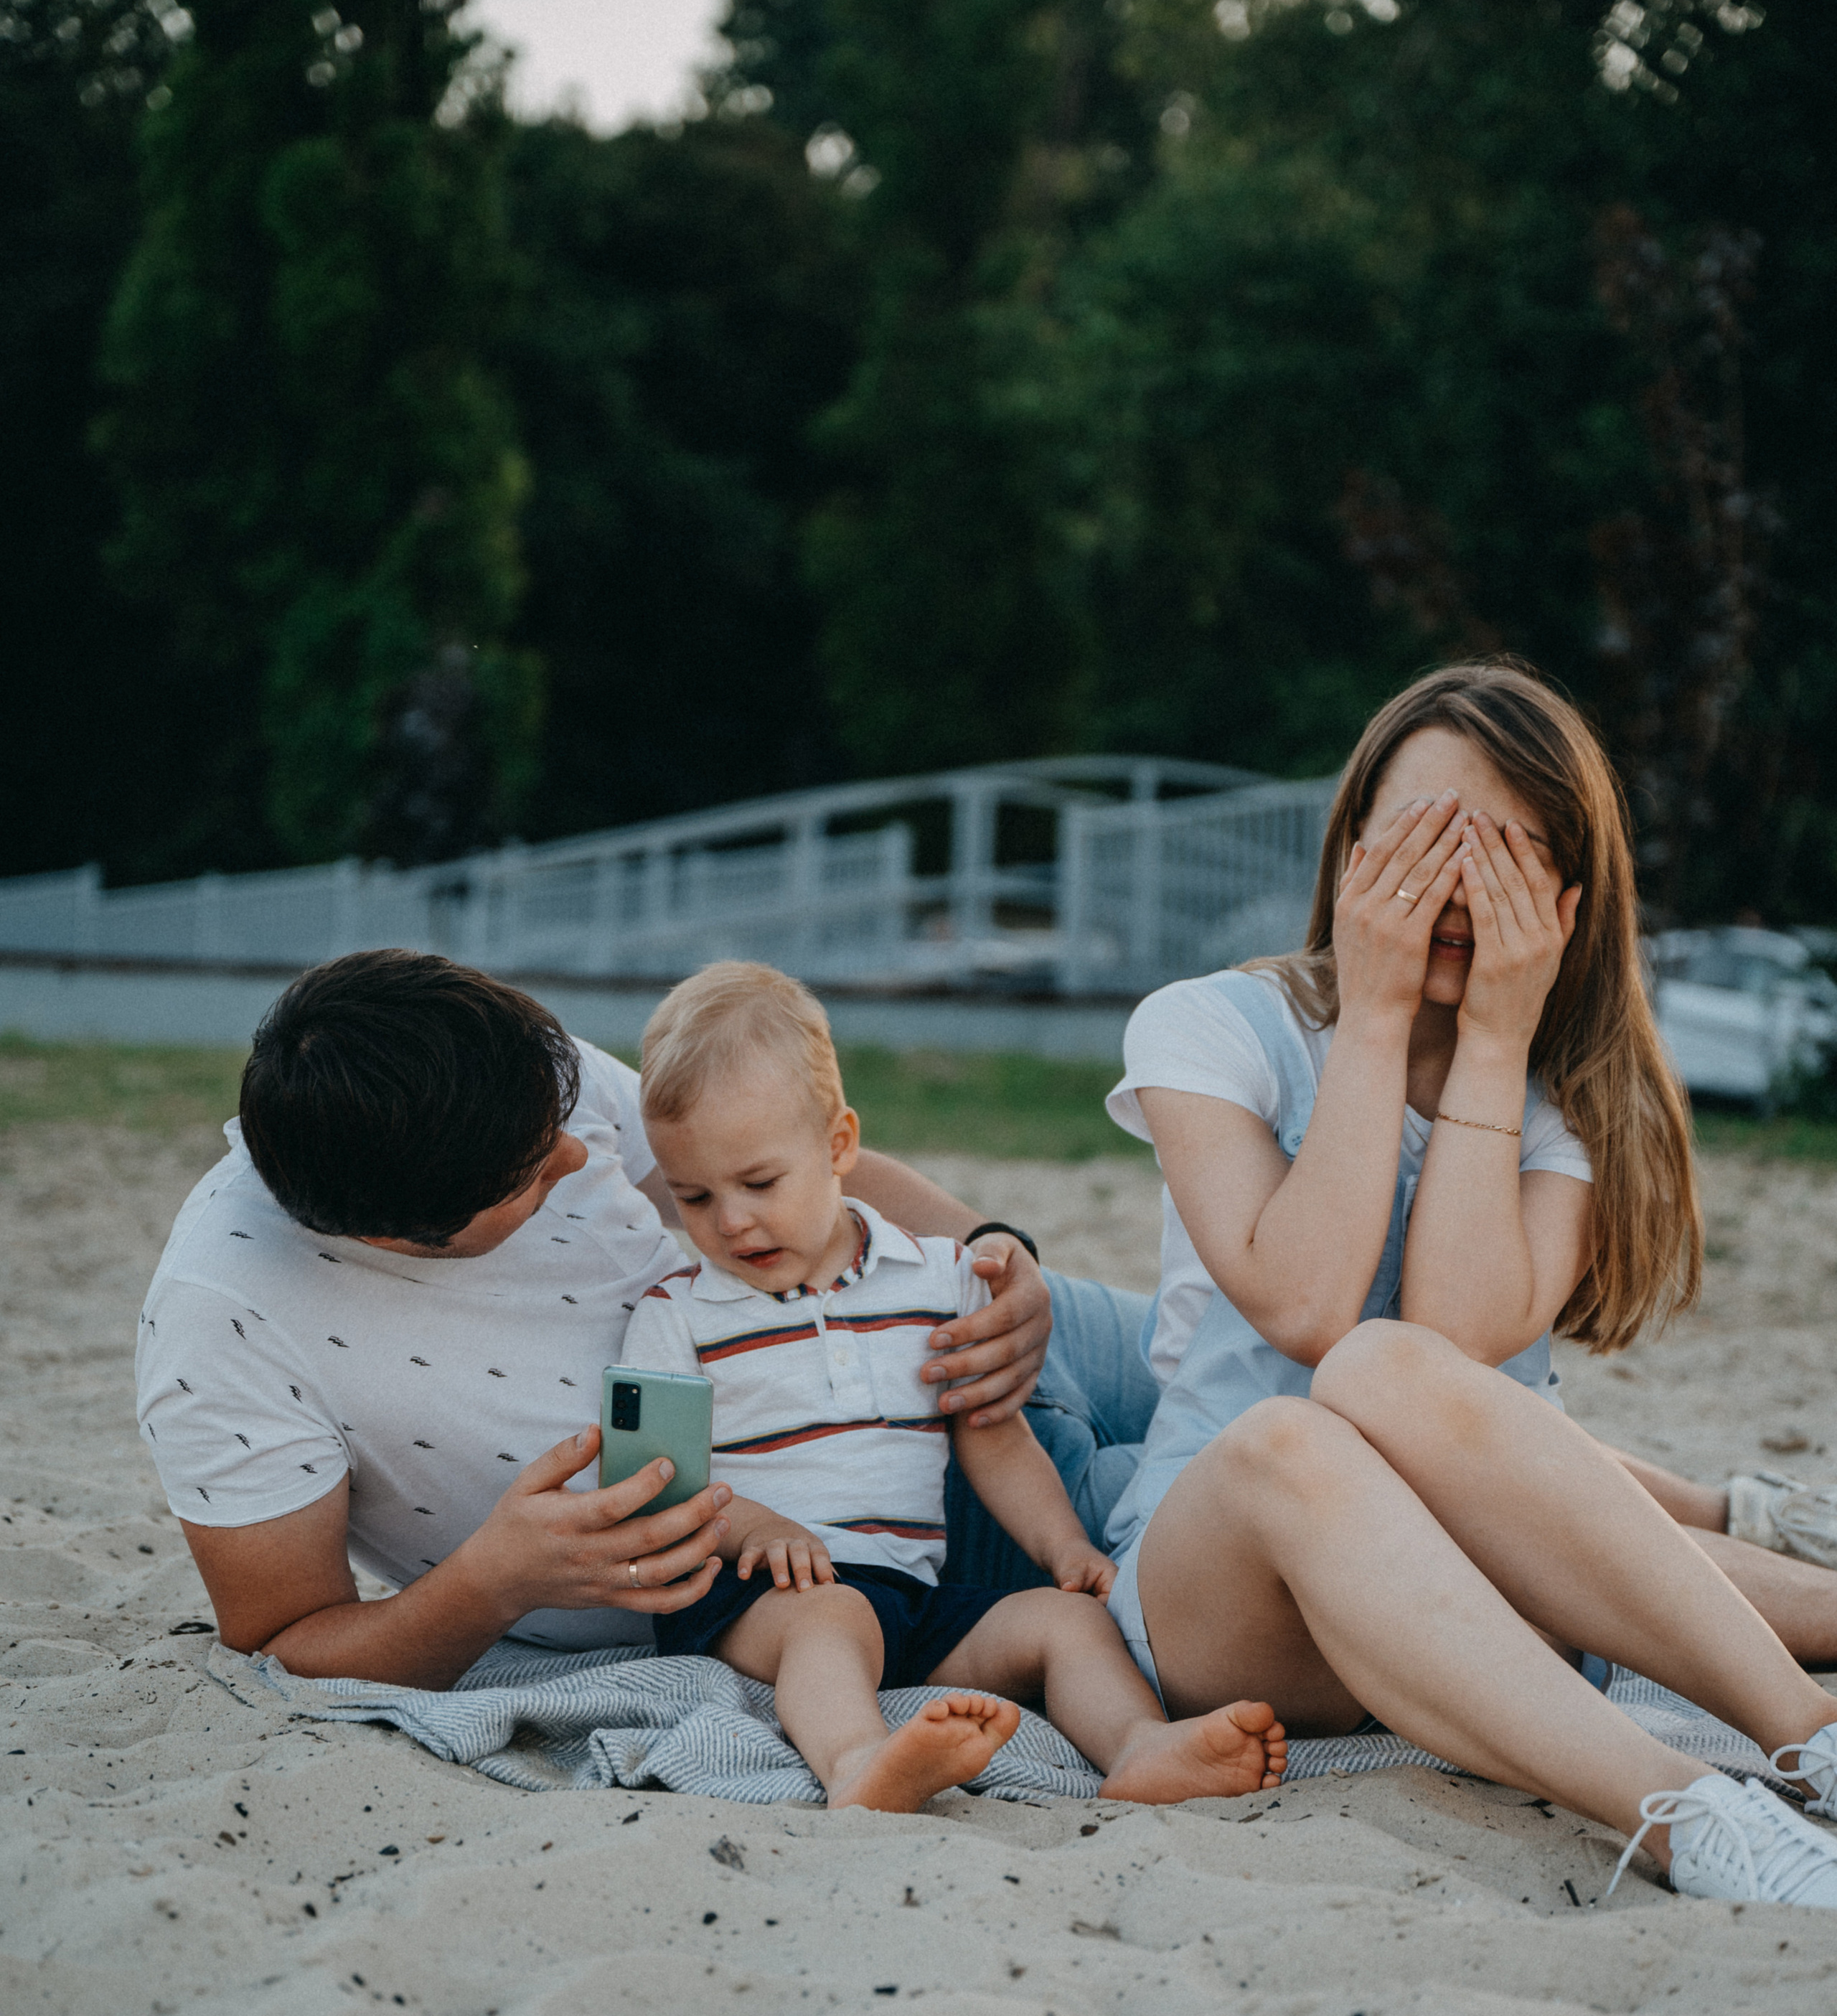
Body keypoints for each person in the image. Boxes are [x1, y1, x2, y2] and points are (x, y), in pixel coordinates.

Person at [1097, 660, 1837, 1908]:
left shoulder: (1576, 1103)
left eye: (1496, 856)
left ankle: (1807, 1738)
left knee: (1391, 1366)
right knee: (1300, 1421)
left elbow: (1446, 1344)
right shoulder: (1212, 1028)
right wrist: (1377, 1017)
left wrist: (1492, 1043)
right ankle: (1683, 1816)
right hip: (1231, 1578)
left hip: (1491, 1586)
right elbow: (1309, 1306)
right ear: (1351, 853)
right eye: (1420, 843)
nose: (1450, 890)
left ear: (1564, 895)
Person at [134, 950, 1148, 1692]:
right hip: (923, 1544)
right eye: (538, 1174)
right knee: (1259, 1493)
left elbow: (778, 1152)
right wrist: (492, 1583)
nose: (578, 1155)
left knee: (1281, 1345)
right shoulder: (226, 1322)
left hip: (980, 1331)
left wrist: (1001, 1251)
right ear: (408, 1240)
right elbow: (282, 1636)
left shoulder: (505, 1078)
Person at [623, 962, 1286, 1811]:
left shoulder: (933, 1278)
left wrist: (1065, 1550)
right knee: (831, 1620)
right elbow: (653, 1484)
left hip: (914, 1592)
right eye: (693, 1197)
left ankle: (1139, 1747)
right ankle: (859, 1761)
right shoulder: (677, 1314)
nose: (731, 1220)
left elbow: (995, 1436)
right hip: (765, 1600)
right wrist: (762, 1526)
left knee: (1063, 1620)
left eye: (758, 1183)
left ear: (838, 1145)